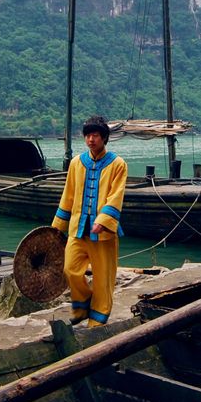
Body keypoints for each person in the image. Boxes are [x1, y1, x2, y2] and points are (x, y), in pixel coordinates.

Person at [51, 115, 127, 328]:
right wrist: (57, 228)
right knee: (70, 269)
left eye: (95, 135)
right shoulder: (77, 163)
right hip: (78, 229)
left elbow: (116, 195)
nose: (91, 139)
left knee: (103, 279)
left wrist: (103, 220)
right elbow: (68, 195)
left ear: (104, 138)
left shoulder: (118, 164)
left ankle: (98, 319)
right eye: (87, 135)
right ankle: (82, 306)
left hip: (103, 234)